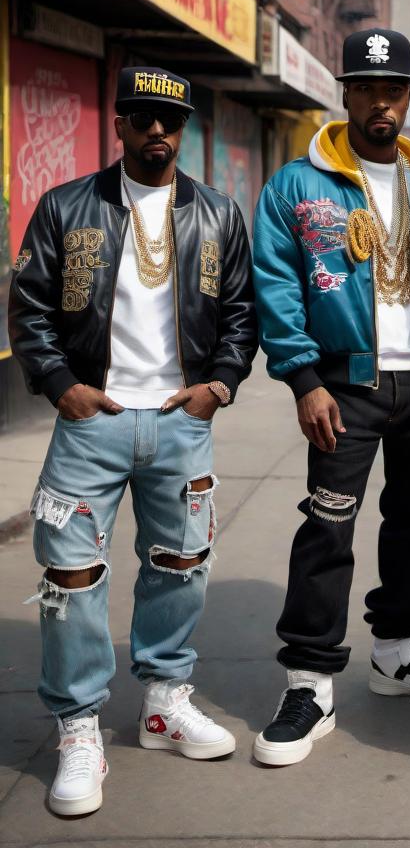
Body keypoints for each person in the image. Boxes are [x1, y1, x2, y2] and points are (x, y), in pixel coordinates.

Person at [8, 67, 257, 816]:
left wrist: (217, 387)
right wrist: (61, 386)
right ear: (118, 124)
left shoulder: (217, 214)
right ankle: (78, 727)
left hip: (182, 420)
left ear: (183, 130)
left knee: (181, 566)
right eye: (143, 117)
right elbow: (28, 308)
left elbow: (242, 312)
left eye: (170, 120)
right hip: (93, 421)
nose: (158, 131)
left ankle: (161, 702)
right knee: (71, 576)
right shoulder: (66, 206)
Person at [251, 28, 410, 766]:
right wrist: (303, 378)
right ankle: (310, 680)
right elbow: (276, 285)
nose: (381, 102)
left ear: (409, 97)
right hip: (342, 388)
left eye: (393, 90)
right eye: (367, 88)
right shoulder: (299, 183)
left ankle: (396, 650)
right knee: (328, 530)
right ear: (344, 94)